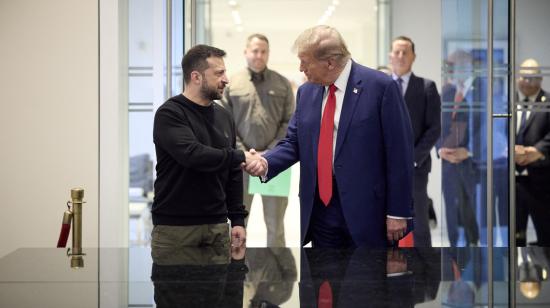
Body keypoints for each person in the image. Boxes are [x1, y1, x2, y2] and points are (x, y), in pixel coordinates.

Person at [246, 25, 414, 248]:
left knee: (367, 281)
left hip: (368, 212)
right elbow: (295, 142)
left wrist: (398, 211)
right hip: (321, 210)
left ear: (330, 62)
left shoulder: (380, 88)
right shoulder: (307, 92)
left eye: (305, 61)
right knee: (323, 280)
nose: (300, 68)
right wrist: (266, 162)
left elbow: (399, 153)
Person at [151, 44, 262, 250]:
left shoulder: (224, 116)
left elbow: (233, 173)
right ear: (196, 77)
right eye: (219, 73)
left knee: (220, 282)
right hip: (175, 230)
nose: (226, 79)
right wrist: (241, 156)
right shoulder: (170, 114)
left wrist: (237, 220)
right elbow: (192, 155)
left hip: (217, 227)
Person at [221, 34, 295, 247]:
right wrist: (245, 153)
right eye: (255, 50)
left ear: (268, 54)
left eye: (263, 51)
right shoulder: (232, 84)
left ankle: (275, 280)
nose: (259, 55)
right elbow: (225, 124)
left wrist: (269, 155)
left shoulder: (281, 84)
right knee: (237, 224)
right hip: (240, 165)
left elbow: (289, 122)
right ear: (246, 52)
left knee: (275, 225)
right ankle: (235, 275)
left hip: (275, 165)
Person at [388, 36, 441, 247]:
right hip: (384, 168)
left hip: (416, 168)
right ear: (390, 56)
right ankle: (384, 274)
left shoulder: (426, 87)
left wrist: (412, 158)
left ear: (414, 57)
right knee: (383, 221)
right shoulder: (380, 86)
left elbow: (434, 128)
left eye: (405, 52)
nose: (401, 56)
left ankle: (424, 276)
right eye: (397, 52)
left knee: (418, 222)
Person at [438, 49, 482, 247]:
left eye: (461, 64)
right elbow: (435, 126)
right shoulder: (445, 92)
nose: (456, 69)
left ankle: (478, 259)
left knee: (473, 212)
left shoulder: (482, 91)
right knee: (452, 212)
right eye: (452, 65)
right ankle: (455, 260)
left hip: (475, 164)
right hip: (448, 165)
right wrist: (440, 149)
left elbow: (492, 129)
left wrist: (471, 150)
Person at [515, 58, 550, 246]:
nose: (525, 81)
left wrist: (537, 150)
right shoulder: (508, 102)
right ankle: (515, 274)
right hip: (513, 183)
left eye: (531, 78)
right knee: (515, 237)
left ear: (540, 79)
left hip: (541, 182)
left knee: (545, 236)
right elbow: (496, 131)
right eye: (522, 77)